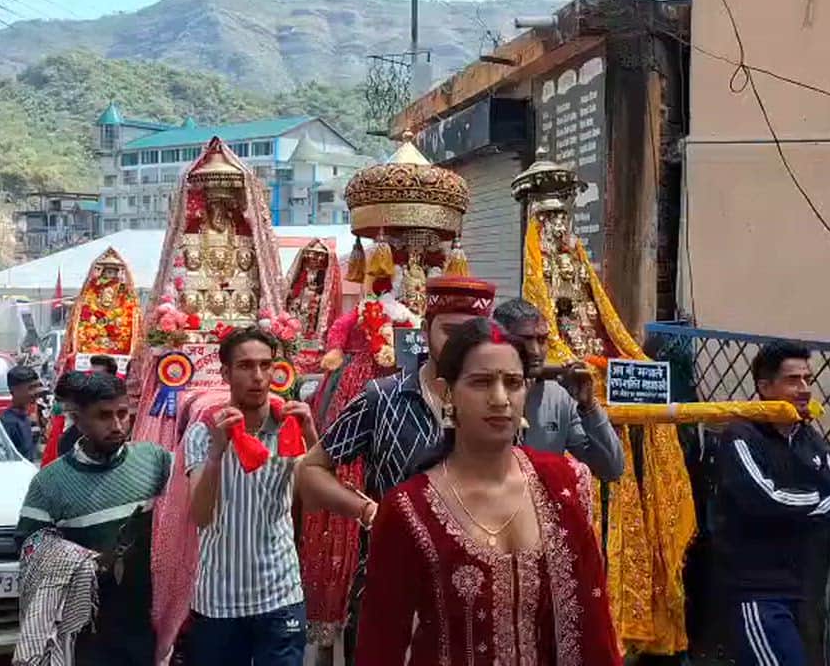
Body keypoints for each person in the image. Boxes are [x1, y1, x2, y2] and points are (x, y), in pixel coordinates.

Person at [355, 316, 622, 665]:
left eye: (513, 383)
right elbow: (381, 644)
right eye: (481, 383)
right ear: (448, 391)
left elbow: (594, 627)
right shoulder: (409, 509)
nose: (500, 399)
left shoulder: (565, 484)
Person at [296, 275, 498, 660]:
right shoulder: (382, 399)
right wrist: (368, 511)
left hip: (476, 596)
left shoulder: (497, 405)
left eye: (472, 335)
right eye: (450, 332)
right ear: (425, 330)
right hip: (390, 587)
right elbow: (311, 471)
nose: (460, 346)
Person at [15, 373, 173, 665]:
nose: (116, 425)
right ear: (79, 419)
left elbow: (186, 507)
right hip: (85, 628)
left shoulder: (154, 461)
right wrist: (86, 561)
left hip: (145, 621)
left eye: (122, 414)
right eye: (103, 416)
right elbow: (28, 546)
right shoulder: (50, 483)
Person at [183, 327, 317, 666]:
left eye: (265, 365)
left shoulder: (289, 427)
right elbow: (200, 516)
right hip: (219, 599)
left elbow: (315, 498)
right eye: (245, 366)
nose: (258, 376)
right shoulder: (203, 432)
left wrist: (312, 435)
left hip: (280, 593)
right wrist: (217, 452)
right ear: (226, 373)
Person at [716, 340, 830, 666]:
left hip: (802, 588)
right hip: (756, 592)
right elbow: (763, 499)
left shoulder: (808, 438)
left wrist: (797, 506)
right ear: (764, 386)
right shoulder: (741, 436)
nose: (804, 389)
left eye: (808, 380)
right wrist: (812, 502)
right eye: (793, 380)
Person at [492, 297, 624, 481]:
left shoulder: (559, 395)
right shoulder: (482, 391)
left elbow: (611, 469)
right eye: (525, 340)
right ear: (499, 340)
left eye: (542, 340)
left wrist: (589, 407)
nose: (535, 351)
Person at [40, 371, 89, 466]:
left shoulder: (91, 431)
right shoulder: (59, 421)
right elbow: (48, 458)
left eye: (68, 402)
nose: (65, 407)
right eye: (60, 400)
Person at [2, 365, 42, 460]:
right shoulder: (9, 423)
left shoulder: (28, 416)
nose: (36, 392)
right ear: (14, 390)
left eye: (37, 386)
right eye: (31, 388)